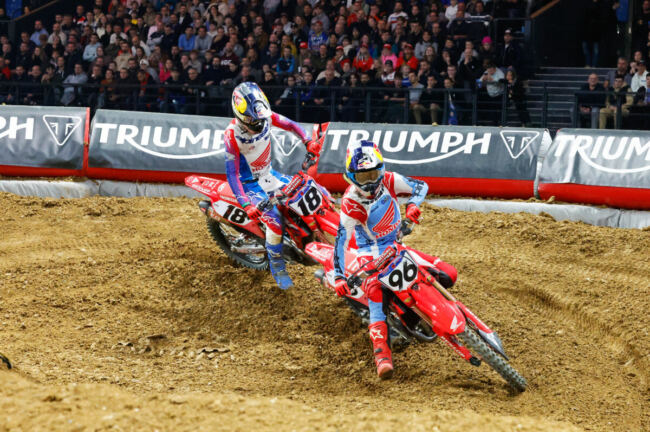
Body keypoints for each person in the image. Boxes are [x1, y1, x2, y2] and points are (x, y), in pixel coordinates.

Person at [332, 140, 457, 379]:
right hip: (371, 253)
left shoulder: (389, 180)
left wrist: (412, 206)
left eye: (373, 174)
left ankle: (429, 307)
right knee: (375, 293)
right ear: (351, 177)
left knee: (449, 274)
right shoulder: (350, 202)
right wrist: (339, 276)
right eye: (363, 176)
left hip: (396, 245)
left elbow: (420, 186)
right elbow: (341, 240)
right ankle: (382, 355)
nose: (370, 182)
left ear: (381, 169)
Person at [224, 82, 321, 290]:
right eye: (252, 120)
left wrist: (308, 141)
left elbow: (291, 125)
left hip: (269, 175)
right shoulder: (232, 135)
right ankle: (277, 267)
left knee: (309, 189)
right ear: (240, 115)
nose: (258, 123)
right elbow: (232, 174)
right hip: (250, 185)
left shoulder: (265, 116)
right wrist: (246, 204)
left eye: (259, 118)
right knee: (275, 221)